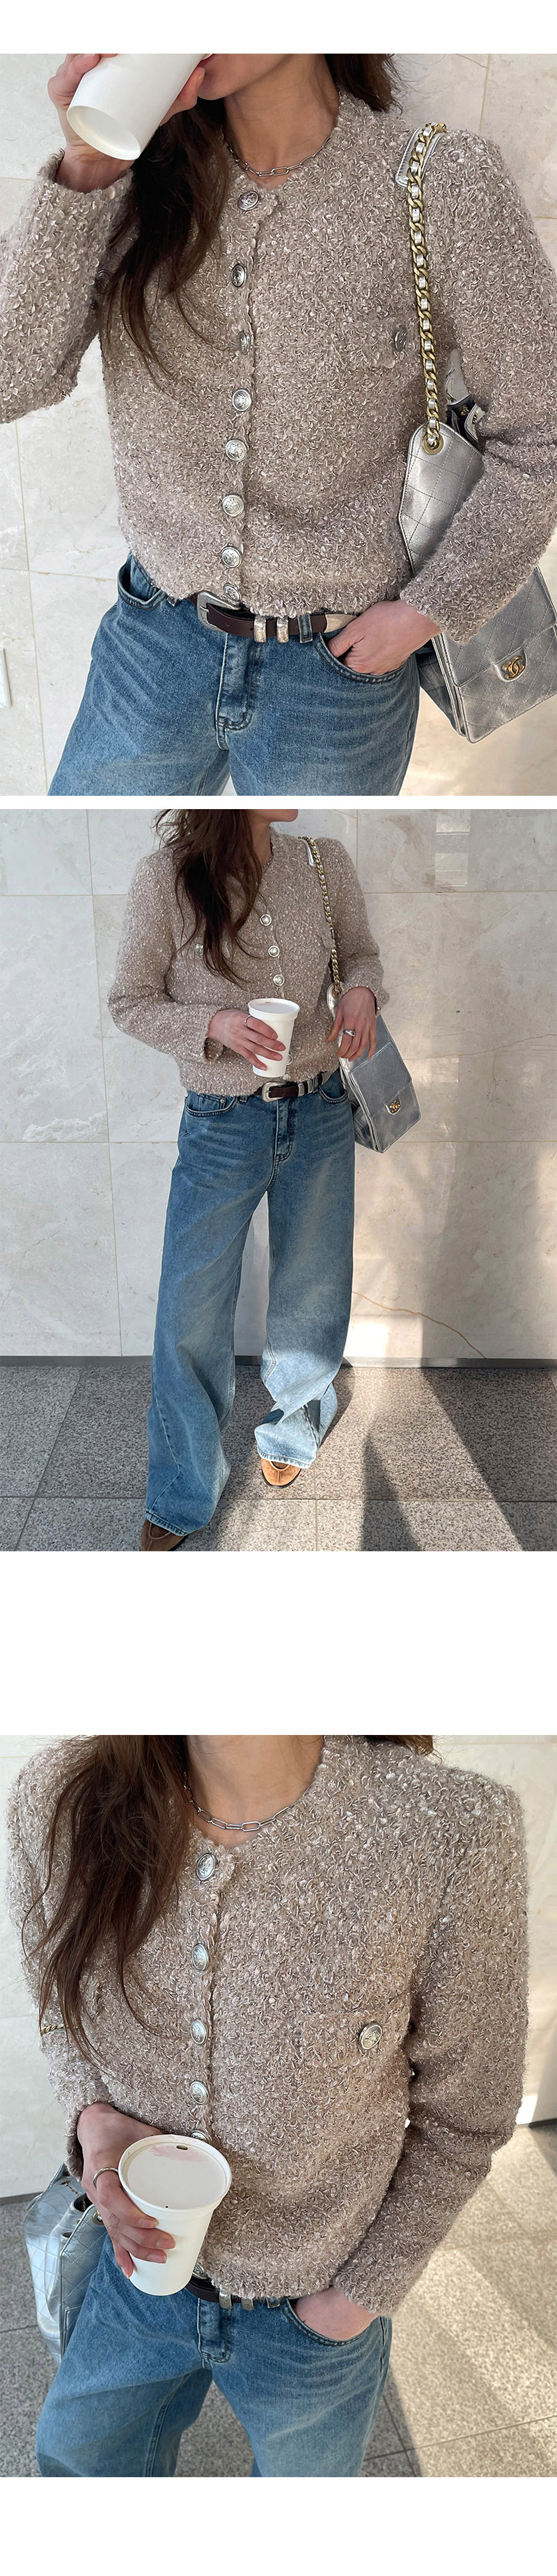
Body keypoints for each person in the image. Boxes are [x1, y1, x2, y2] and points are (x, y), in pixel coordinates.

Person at [1, 53, 556, 798]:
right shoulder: (132, 183)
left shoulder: (441, 182)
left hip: (338, 677)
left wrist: (430, 610)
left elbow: (541, 433)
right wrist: (85, 169)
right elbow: (12, 380)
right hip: (152, 644)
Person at [6, 1731, 528, 2479]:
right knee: (78, 2464)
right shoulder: (61, 1800)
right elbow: (60, 2010)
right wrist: (92, 2117)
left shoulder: (449, 1833)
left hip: (317, 2306)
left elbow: (465, 2118)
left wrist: (354, 2298)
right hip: (133, 2273)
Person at [108, 807, 382, 1549]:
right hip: (220, 1122)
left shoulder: (323, 862)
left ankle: (292, 1429)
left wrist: (361, 991)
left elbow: (360, 956)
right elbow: (130, 1000)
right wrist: (215, 1025)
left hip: (320, 1108)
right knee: (190, 1307)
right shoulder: (165, 878)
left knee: (312, 1286)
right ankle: (181, 1490)